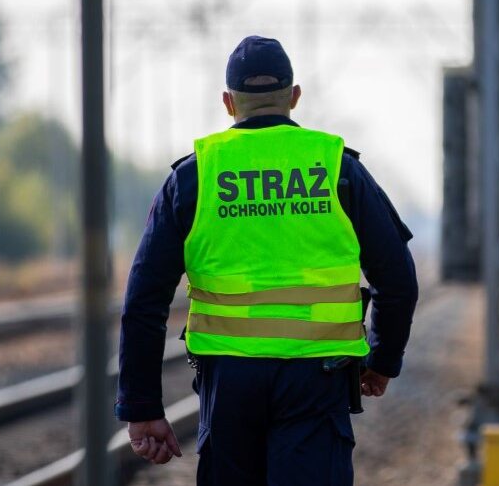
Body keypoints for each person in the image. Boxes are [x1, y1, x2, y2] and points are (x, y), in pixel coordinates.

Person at [116, 36, 418, 485]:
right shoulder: (336, 166)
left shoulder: (194, 176)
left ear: (227, 102)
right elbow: (397, 280)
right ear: (294, 96)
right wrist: (381, 360)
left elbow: (143, 301)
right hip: (317, 377)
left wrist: (141, 408)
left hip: (229, 380)